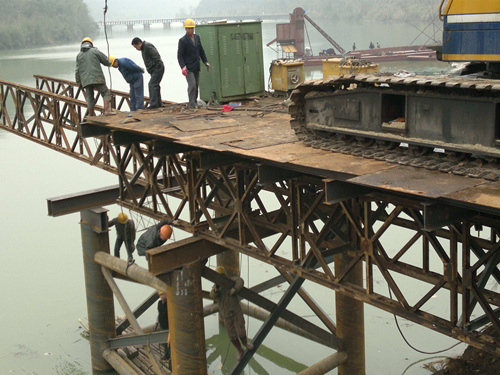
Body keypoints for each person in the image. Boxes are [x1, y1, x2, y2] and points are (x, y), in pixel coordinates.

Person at [209, 266, 254, 361]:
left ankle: (245, 343)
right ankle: (239, 350)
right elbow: (212, 296)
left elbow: (240, 281)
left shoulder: (231, 281)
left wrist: (235, 289)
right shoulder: (216, 287)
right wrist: (216, 289)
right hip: (226, 314)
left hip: (235, 310)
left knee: (241, 330)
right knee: (232, 335)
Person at [75, 37, 114, 116]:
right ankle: (107, 111)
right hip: (97, 78)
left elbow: (77, 71)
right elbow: (105, 61)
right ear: (91, 44)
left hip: (85, 81)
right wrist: (110, 63)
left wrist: (79, 83)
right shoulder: (94, 51)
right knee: (105, 92)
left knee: (89, 96)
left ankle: (91, 113)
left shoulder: (79, 56)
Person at [177, 18, 210, 109]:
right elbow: (180, 55)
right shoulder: (182, 40)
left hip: (196, 66)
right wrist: (183, 67)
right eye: (189, 28)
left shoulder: (197, 38)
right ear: (186, 29)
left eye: (192, 28)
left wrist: (205, 61)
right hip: (188, 67)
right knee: (192, 85)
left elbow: (201, 51)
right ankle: (191, 105)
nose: (191, 30)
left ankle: (194, 102)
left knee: (196, 85)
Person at [131, 37, 164, 109]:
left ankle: (154, 104)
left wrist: (158, 66)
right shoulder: (144, 48)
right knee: (155, 85)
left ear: (139, 43)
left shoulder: (147, 46)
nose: (136, 49)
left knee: (152, 84)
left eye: (136, 46)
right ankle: (158, 104)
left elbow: (156, 56)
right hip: (154, 69)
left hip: (157, 68)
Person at [156, 291, 171, 363]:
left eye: (163, 295)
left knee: (170, 341)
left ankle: (171, 356)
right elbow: (159, 313)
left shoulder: (169, 303)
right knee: (164, 342)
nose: (162, 296)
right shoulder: (159, 303)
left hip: (168, 325)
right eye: (161, 295)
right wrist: (156, 322)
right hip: (162, 324)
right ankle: (166, 355)